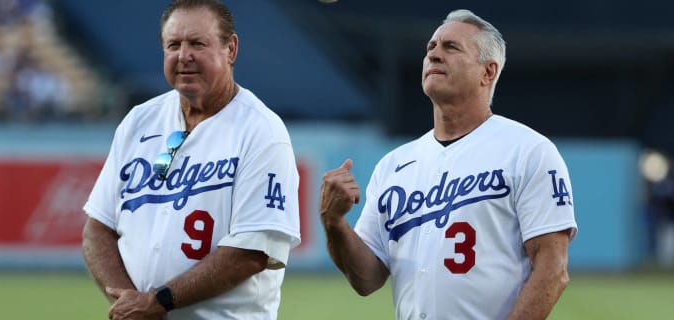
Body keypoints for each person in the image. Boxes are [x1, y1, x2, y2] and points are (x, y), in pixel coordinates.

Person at [320, 9, 577, 320]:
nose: (434, 55)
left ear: (488, 72)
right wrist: (334, 223)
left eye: (451, 47)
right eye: (431, 48)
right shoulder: (393, 166)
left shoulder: (528, 151)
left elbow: (553, 269)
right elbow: (367, 279)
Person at [81, 1, 301, 319]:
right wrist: (130, 304)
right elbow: (97, 229)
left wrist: (159, 302)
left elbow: (251, 252)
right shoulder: (139, 121)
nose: (184, 56)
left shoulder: (261, 131)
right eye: (174, 45)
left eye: (198, 43)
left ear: (231, 49)